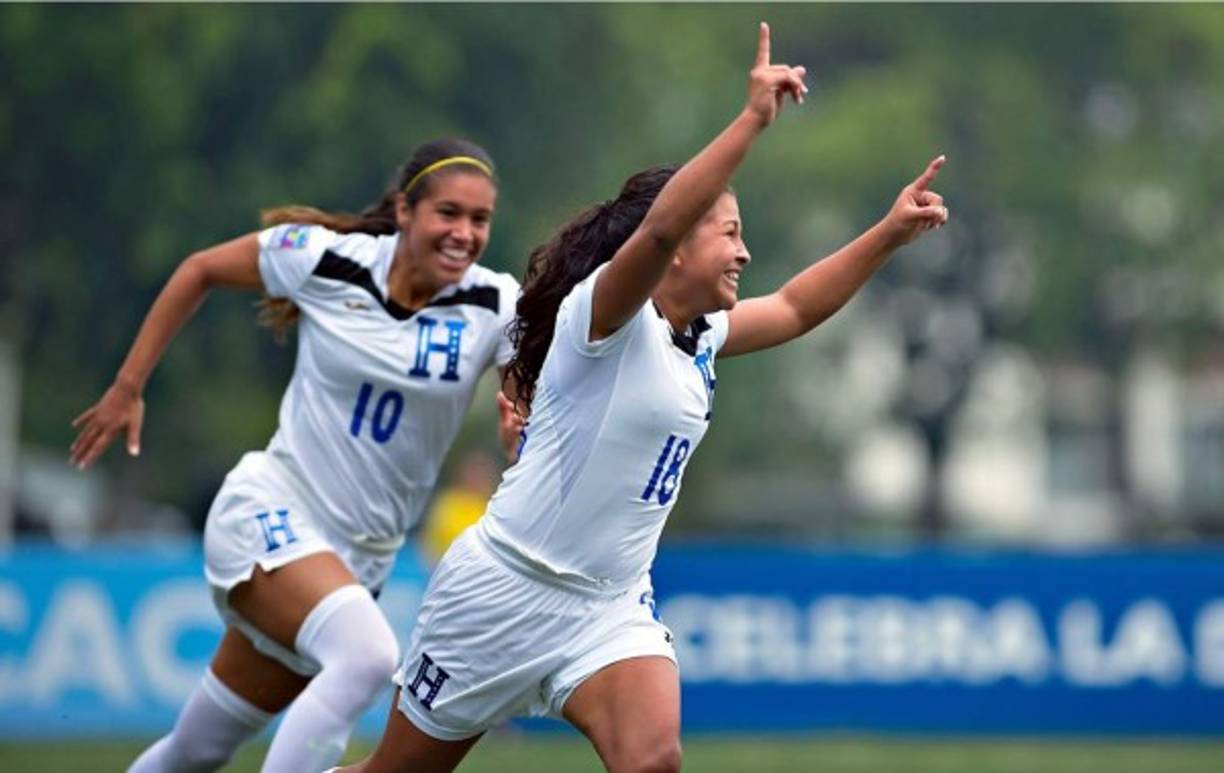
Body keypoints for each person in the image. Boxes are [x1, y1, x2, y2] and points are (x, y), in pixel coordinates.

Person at [337, 22, 947, 773]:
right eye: (729, 233)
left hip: (609, 605)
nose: (744, 252)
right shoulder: (602, 319)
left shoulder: (701, 336)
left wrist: (886, 234)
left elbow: (792, 308)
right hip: (499, 592)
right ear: (684, 244)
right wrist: (751, 121)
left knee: (654, 759)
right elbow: (656, 230)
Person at [69, 138, 524, 772]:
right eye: (448, 212)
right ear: (403, 211)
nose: (465, 233)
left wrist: (519, 417)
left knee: (197, 749)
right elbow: (199, 269)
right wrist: (127, 388)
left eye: (480, 220)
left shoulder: (494, 304)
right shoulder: (324, 257)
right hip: (270, 514)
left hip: (355, 561)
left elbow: (543, 371)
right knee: (365, 656)